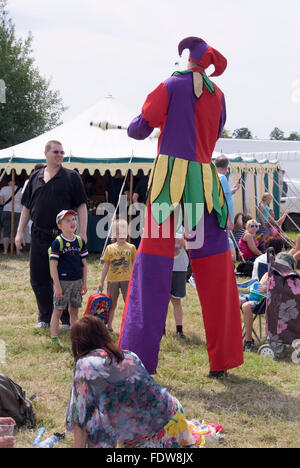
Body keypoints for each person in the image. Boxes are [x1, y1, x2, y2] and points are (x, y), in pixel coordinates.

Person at [119, 36, 244, 378]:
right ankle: (224, 361)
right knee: (217, 270)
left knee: (152, 266)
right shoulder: (218, 95)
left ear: (188, 59)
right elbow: (214, 133)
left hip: (169, 185)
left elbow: (139, 128)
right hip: (204, 185)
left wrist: (140, 124)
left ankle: (138, 358)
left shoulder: (171, 85)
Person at [66, 316, 223, 448]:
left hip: (142, 437)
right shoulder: (129, 355)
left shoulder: (84, 365)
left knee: (93, 417)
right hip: (173, 417)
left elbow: (80, 418)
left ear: (78, 343)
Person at [15, 140, 88, 328]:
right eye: (55, 151)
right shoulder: (35, 177)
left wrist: (82, 232)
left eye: (61, 152)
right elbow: (26, 207)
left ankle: (65, 320)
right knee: (38, 277)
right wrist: (19, 232)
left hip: (63, 238)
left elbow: (81, 205)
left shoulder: (72, 177)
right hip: (39, 234)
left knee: (65, 278)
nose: (59, 155)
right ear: (46, 153)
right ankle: (45, 317)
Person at [49, 210, 88, 346]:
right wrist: (57, 286)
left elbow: (84, 264)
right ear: (60, 226)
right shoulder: (57, 242)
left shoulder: (79, 241)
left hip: (77, 282)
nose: (72, 222)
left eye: (73, 219)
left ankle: (76, 337)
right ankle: (54, 338)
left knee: (74, 310)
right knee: (58, 310)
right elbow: (53, 265)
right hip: (63, 282)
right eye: (67, 221)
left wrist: (84, 283)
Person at [99, 219, 136, 332]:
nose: (122, 235)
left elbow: (135, 265)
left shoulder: (131, 247)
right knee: (111, 304)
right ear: (114, 234)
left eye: (124, 232)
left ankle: (130, 326)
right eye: (119, 233)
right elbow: (106, 265)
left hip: (127, 280)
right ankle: (109, 326)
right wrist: (101, 281)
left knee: (129, 304)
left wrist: (136, 280)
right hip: (112, 281)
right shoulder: (110, 248)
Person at [167, 229, 189, 339]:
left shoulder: (183, 228)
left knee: (176, 300)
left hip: (179, 267)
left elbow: (192, 246)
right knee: (163, 300)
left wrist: (184, 242)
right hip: (163, 265)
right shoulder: (159, 224)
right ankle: (161, 329)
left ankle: (179, 330)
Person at [215, 155, 240, 230]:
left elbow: (222, 194)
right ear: (226, 168)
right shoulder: (222, 177)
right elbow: (223, 197)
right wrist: (229, 219)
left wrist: (233, 190)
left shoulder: (214, 176)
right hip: (225, 215)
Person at [0, 175, 23, 255]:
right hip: (18, 211)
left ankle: (6, 251)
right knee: (17, 232)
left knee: (6, 232)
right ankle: (17, 251)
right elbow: (23, 201)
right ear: (15, 181)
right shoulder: (20, 189)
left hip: (6, 210)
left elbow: (1, 202)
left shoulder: (3, 189)